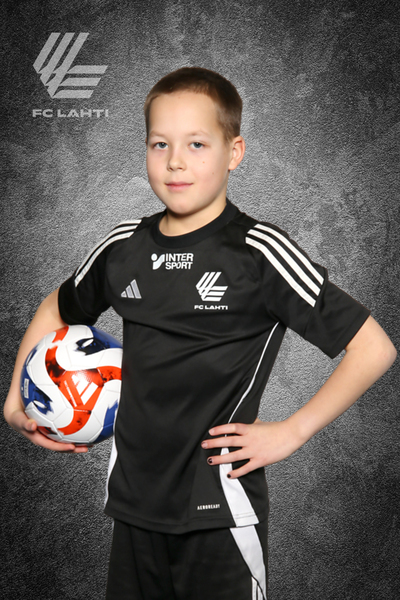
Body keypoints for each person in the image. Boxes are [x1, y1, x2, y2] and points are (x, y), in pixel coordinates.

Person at [4, 67, 396, 600]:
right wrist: (16, 399)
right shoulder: (123, 247)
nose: (175, 161)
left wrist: (292, 431)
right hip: (133, 508)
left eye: (196, 144)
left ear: (234, 152)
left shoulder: (258, 252)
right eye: (160, 144)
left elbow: (373, 347)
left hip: (220, 514)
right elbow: (58, 307)